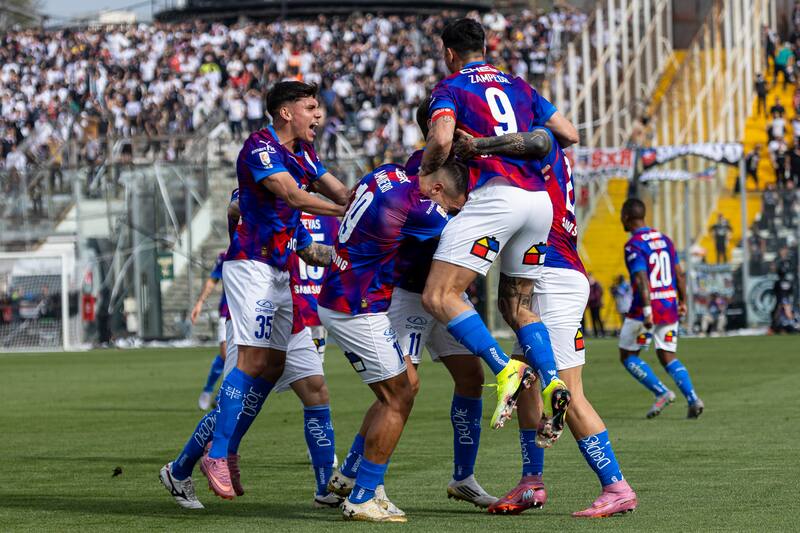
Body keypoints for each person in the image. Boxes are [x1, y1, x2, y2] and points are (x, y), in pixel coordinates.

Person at [419, 18, 579, 441]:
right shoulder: (520, 86)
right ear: (486, 48)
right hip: (539, 204)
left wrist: (425, 172)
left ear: (449, 53)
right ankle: (552, 381)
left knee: (439, 295)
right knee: (517, 306)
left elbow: (441, 138)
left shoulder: (450, 87)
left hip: (495, 196)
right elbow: (567, 133)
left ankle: (504, 369)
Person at [197, 81, 347, 500]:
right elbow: (295, 196)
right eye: (311, 107)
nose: (319, 115)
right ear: (286, 112)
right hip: (251, 266)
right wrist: (345, 210)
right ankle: (216, 454)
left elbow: (339, 191)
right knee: (252, 362)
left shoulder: (304, 153)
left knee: (280, 368)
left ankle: (223, 453)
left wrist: (370, 202)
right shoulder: (260, 148)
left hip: (280, 273)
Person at [488, 129, 637, 518]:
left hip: (551, 278)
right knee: (527, 383)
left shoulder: (534, 147)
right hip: (546, 275)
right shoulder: (548, 153)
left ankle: (616, 487)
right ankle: (531, 482)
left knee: (568, 392)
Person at [160, 194, 343, 510]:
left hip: (291, 312)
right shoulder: (260, 184)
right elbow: (235, 207)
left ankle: (324, 488)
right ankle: (179, 470)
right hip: (251, 311)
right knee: (237, 404)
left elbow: (311, 252)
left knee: (317, 390)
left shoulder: (294, 211)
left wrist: (354, 253)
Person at [318, 160, 468, 522]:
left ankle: (355, 479)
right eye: (449, 206)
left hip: (345, 295)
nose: (447, 212)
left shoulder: (387, 173)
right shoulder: (421, 209)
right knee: (398, 396)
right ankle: (363, 496)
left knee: (406, 386)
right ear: (437, 190)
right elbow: (461, 237)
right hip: (357, 305)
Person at [618, 198, 704, 419]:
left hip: (645, 310)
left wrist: (647, 312)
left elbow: (641, 278)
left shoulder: (634, 245)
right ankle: (693, 398)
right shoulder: (665, 239)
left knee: (628, 355)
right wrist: (682, 301)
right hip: (668, 306)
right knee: (667, 355)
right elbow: (679, 274)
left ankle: (661, 392)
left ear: (626, 217)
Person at [189, 251, 229, 410]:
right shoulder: (226, 255)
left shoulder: (259, 251)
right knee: (226, 355)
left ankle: (223, 394)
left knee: (242, 358)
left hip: (249, 314)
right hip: (227, 312)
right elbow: (213, 280)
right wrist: (200, 302)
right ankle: (208, 389)